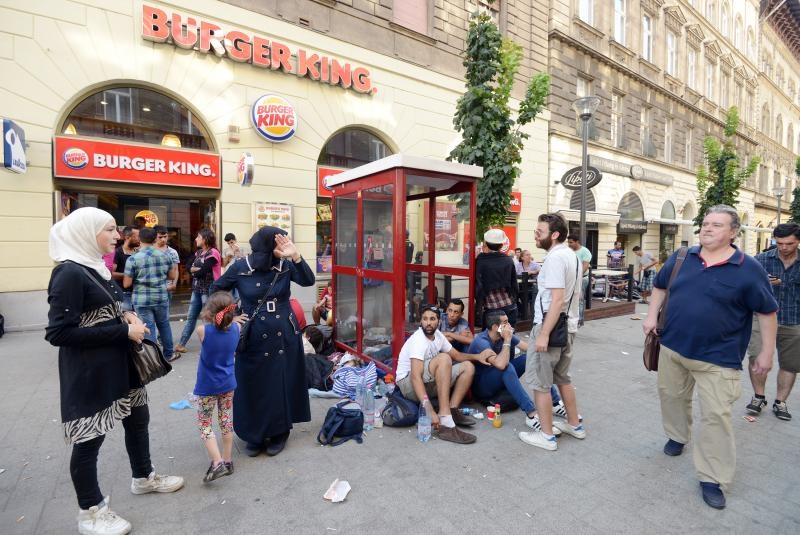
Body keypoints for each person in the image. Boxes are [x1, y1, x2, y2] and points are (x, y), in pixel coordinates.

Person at [45, 207, 184, 535]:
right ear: (86, 232)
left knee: (138, 421)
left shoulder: (94, 268)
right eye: (108, 230)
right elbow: (59, 333)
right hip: (91, 373)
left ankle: (143, 477)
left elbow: (109, 309)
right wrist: (122, 332)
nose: (117, 236)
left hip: (121, 366)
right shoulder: (68, 273)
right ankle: (90, 512)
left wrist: (128, 318)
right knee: (89, 439)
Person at [642, 205, 777, 510]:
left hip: (719, 358)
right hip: (673, 347)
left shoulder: (748, 268)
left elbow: (767, 312)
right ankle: (677, 436)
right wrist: (651, 316)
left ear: (733, 233)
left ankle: (712, 477)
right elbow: (660, 285)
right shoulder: (681, 257)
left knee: (716, 417)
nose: (708, 228)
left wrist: (766, 353)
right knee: (670, 396)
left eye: (717, 225)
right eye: (705, 223)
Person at [210, 226, 315, 457]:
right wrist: (231, 316)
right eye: (278, 243)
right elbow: (216, 290)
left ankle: (279, 432)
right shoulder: (240, 267)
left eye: (284, 242)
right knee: (253, 383)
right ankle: (254, 433)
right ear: (266, 246)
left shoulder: (285, 265)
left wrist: (295, 256)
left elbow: (308, 281)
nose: (282, 246)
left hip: (284, 335)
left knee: (280, 383)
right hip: (253, 335)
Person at [519, 213, 585, 452]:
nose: (535, 235)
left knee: (540, 383)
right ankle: (574, 425)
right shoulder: (572, 256)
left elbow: (556, 300)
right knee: (562, 377)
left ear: (554, 234)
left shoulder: (556, 258)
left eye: (540, 232)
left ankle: (546, 435)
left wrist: (544, 333)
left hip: (550, 327)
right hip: (568, 328)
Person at [396, 304, 497, 444]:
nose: (428, 323)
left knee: (468, 367)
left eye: (432, 319)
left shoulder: (438, 336)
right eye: (425, 319)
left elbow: (457, 356)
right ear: (421, 321)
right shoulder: (418, 340)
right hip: (408, 385)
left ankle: (452, 409)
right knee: (444, 358)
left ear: (439, 321)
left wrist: (478, 356)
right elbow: (415, 377)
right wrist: (430, 411)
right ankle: (445, 419)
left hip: (426, 382)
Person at [467, 311, 568, 431]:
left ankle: (555, 402)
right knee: (507, 367)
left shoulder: (503, 335)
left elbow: (529, 349)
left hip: (497, 378)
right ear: (495, 327)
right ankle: (531, 414)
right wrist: (507, 341)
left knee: (530, 358)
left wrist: (544, 347)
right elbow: (500, 364)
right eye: (505, 323)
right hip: (482, 387)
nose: (509, 325)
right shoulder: (481, 341)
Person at [746, 223, 800, 422]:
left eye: (790, 243)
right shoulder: (760, 260)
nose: (784, 247)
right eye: (780, 243)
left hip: (794, 319)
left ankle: (780, 401)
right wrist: (763, 283)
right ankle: (759, 396)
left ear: (798, 241)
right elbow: (745, 286)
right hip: (761, 318)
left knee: (790, 364)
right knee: (756, 358)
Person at [193, 291, 239, 483]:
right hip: (228, 384)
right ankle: (228, 461)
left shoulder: (203, 330)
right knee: (226, 421)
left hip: (206, 386)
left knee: (205, 424)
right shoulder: (237, 328)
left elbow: (208, 331)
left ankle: (217, 462)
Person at [123, 227, 177, 362]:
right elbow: (171, 275)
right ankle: (169, 354)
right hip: (161, 296)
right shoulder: (165, 255)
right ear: (155, 239)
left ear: (140, 239)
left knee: (148, 328)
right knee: (164, 325)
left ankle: (153, 358)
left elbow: (126, 284)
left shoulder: (133, 259)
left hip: (142, 299)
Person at [175, 229, 221, 354]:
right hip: (196, 290)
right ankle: (181, 344)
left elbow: (203, 272)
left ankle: (210, 346)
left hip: (208, 289)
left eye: (198, 237)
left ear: (205, 239)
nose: (196, 239)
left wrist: (195, 270)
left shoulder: (214, 253)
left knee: (207, 318)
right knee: (191, 317)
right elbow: (189, 266)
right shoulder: (199, 252)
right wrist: (194, 269)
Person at [476, 228, 519, 326]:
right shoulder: (508, 260)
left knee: (491, 339)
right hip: (510, 306)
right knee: (508, 337)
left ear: (486, 243)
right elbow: (514, 284)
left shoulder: (481, 260)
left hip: (491, 309)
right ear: (502, 245)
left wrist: (478, 305)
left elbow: (479, 286)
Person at [112, 226, 140, 311]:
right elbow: (111, 274)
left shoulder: (138, 253)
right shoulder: (117, 252)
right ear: (127, 237)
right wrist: (129, 275)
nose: (139, 239)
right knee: (128, 320)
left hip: (139, 293)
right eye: (137, 236)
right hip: (124, 293)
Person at [567, 234, 592, 326]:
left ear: (577, 242)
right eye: (568, 242)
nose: (569, 244)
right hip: (571, 279)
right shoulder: (569, 251)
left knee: (579, 299)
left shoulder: (585, 251)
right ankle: (571, 318)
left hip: (581, 279)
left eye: (571, 242)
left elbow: (584, 267)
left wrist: (576, 278)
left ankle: (579, 320)